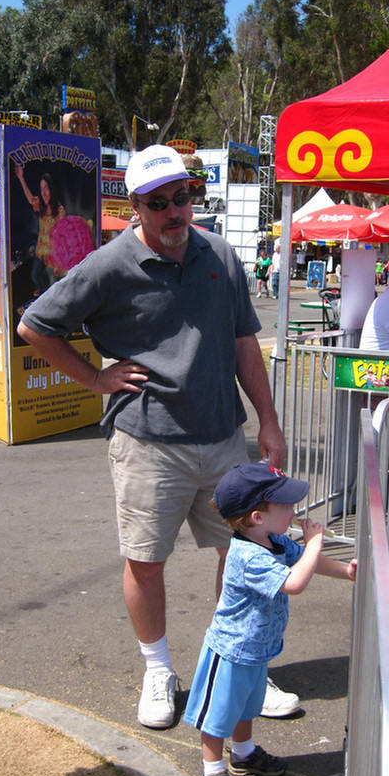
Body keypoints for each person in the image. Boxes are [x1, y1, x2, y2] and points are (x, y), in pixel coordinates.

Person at [17, 145, 292, 728]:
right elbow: (35, 325)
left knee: (243, 554)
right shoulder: (109, 265)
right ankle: (158, 670)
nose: (174, 212)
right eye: (159, 202)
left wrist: (268, 419)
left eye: (182, 197)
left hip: (223, 438)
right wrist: (96, 377)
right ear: (136, 207)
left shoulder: (220, 255)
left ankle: (241, 666)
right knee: (146, 562)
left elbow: (246, 343)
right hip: (147, 442)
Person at [183, 463, 357, 776]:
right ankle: (213, 774)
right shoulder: (248, 556)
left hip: (257, 648)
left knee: (247, 705)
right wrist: (313, 542)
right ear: (258, 516)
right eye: (286, 506)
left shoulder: (274, 541)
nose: (294, 511)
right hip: (230, 651)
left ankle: (244, 754)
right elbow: (295, 582)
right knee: (219, 715)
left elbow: (308, 562)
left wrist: (345, 572)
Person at [14, 164, 66, 295]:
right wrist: (21, 177)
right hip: (40, 251)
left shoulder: (59, 211)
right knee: (34, 275)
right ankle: (44, 294)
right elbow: (30, 198)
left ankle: (48, 297)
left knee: (53, 280)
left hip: (52, 254)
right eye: (41, 188)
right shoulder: (41, 206)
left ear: (52, 189)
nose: (43, 192)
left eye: (46, 188)